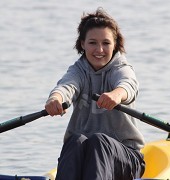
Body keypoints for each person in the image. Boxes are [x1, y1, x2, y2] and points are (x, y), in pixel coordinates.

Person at [45, 8, 145, 180]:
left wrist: (116, 94)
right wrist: (55, 99)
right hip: (86, 157)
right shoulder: (78, 71)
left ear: (115, 45)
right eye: (93, 43)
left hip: (127, 158)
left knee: (99, 141)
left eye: (106, 43)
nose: (99, 49)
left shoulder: (121, 68)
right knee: (75, 141)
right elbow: (66, 86)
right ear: (83, 43)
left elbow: (128, 85)